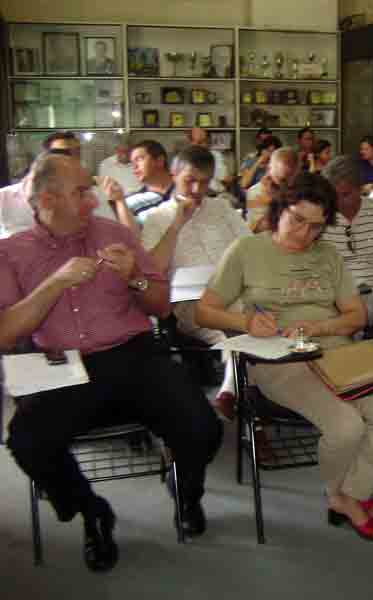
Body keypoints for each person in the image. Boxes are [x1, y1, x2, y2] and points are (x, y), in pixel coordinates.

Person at [1, 153, 222, 572]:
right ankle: (92, 511)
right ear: (46, 199)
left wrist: (134, 279)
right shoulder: (12, 252)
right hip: (63, 367)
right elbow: (5, 333)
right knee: (28, 442)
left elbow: (159, 307)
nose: (92, 201)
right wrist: (56, 283)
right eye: (81, 192)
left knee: (202, 428)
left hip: (134, 356)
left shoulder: (115, 233)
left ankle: (186, 490)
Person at [195, 173, 373, 543]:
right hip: (278, 360)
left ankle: (350, 495)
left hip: (337, 352)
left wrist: (319, 327)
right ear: (280, 209)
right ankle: (340, 497)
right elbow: (205, 312)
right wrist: (245, 321)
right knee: (347, 427)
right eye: (298, 219)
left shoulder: (328, 255)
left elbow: (356, 316)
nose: (304, 234)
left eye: (316, 226)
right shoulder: (247, 250)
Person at [141, 145, 250, 420]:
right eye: (190, 180)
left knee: (253, 326)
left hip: (234, 293)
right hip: (190, 301)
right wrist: (177, 223)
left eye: (204, 182)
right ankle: (241, 404)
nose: (196, 189)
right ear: (174, 174)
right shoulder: (157, 217)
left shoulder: (222, 208)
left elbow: (249, 247)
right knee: (239, 330)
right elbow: (151, 271)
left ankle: (231, 392)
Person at [319, 156, 373, 324]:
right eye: (332, 195)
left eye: (345, 195)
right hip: (336, 296)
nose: (338, 201)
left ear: (360, 189)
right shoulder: (320, 216)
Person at [1, 132, 139, 235]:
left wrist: (119, 201)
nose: (73, 159)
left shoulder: (91, 196)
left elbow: (121, 235)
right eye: (63, 153)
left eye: (77, 152)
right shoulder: (4, 198)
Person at [246, 146, 299, 232]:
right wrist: (277, 201)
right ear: (269, 169)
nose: (288, 183)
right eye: (282, 179)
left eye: (292, 177)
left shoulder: (300, 186)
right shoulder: (256, 192)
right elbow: (257, 229)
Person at [126, 140, 174, 224]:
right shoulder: (133, 202)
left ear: (160, 161)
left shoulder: (189, 188)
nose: (134, 167)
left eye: (139, 159)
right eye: (132, 162)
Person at [188, 127, 233, 193]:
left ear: (208, 142)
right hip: (194, 195)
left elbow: (226, 179)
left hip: (216, 195)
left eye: (204, 141)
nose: (201, 146)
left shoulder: (215, 155)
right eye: (198, 142)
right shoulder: (183, 158)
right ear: (190, 142)